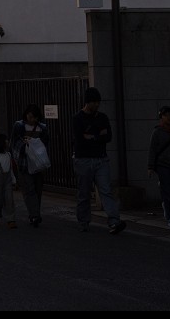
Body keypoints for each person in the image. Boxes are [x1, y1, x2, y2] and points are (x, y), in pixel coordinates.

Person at [72, 86, 126, 234]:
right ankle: (83, 221)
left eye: (98, 102)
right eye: (94, 102)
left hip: (101, 159)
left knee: (106, 190)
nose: (97, 105)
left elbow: (108, 137)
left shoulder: (102, 117)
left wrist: (91, 136)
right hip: (83, 160)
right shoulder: (78, 118)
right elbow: (80, 140)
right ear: (87, 102)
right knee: (84, 192)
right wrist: (98, 135)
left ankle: (114, 221)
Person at [10, 104, 50, 227]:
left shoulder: (42, 128)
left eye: (34, 117)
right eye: (30, 117)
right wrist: (25, 145)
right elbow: (14, 144)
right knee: (29, 189)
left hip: (38, 164)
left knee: (38, 190)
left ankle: (34, 214)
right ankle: (35, 215)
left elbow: (45, 145)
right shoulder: (19, 126)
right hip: (24, 163)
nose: (31, 120)